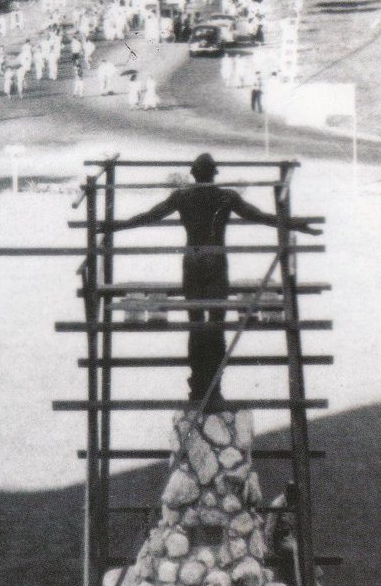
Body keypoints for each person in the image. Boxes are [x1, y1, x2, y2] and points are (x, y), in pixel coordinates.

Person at [102, 152, 321, 409]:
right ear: (214, 174)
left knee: (197, 325)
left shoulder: (183, 197)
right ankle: (213, 388)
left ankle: (198, 387)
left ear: (193, 174)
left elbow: (150, 215)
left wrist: (115, 227)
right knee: (215, 326)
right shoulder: (225, 196)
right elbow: (259, 216)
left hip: (194, 263)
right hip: (215, 264)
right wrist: (292, 224)